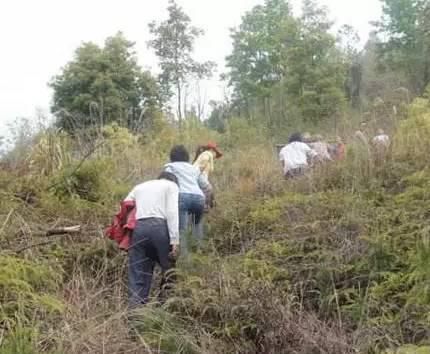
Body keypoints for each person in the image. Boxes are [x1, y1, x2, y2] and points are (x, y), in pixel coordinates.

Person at [125, 171, 179, 307]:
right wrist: (174, 240)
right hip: (160, 228)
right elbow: (172, 212)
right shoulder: (171, 186)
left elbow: (126, 203)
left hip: (139, 229)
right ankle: (165, 306)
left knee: (138, 273)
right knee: (169, 269)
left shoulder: (140, 187)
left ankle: (136, 313)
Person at [165, 145, 211, 256]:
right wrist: (208, 201)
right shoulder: (194, 168)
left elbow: (165, 184)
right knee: (197, 225)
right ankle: (199, 253)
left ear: (172, 157)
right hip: (199, 198)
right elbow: (207, 186)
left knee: (183, 230)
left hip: (182, 197)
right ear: (187, 157)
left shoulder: (170, 167)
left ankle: (185, 260)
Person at [193, 142, 223, 211]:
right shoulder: (207, 154)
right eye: (215, 149)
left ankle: (209, 205)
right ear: (212, 149)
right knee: (208, 189)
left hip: (196, 175)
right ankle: (205, 206)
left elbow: (219, 155)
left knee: (209, 191)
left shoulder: (206, 154)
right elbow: (205, 160)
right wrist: (201, 169)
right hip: (199, 176)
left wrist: (216, 151)